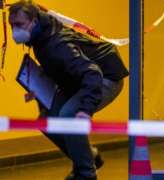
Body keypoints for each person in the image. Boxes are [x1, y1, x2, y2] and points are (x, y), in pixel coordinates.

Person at [8, 0, 129, 179]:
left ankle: (86, 173)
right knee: (47, 120)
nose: (14, 31)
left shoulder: (56, 44)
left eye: (19, 25)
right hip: (80, 79)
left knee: (67, 116)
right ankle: (90, 158)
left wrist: (86, 109)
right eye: (11, 25)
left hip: (105, 78)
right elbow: (60, 69)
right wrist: (39, 90)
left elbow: (92, 74)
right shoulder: (40, 36)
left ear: (33, 21)